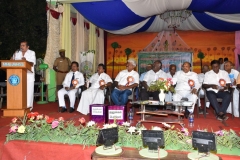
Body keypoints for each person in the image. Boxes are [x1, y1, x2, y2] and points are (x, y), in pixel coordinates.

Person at [11, 41, 36, 111]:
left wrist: (26, 61)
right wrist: (12, 57)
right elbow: (11, 61)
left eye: (23, 45)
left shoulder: (32, 53)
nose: (21, 47)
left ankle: (29, 108)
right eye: (21, 45)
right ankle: (19, 106)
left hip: (29, 76)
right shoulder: (17, 53)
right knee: (19, 91)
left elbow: (32, 63)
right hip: (18, 76)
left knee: (29, 92)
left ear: (28, 47)